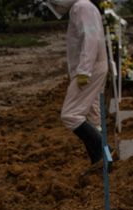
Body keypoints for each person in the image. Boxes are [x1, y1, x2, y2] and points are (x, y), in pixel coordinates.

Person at [46, 0, 108, 165]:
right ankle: (99, 164)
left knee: (70, 114)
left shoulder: (81, 7)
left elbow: (91, 38)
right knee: (93, 117)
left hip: (90, 69)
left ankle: (104, 155)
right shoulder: (82, 6)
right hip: (93, 67)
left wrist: (84, 71)